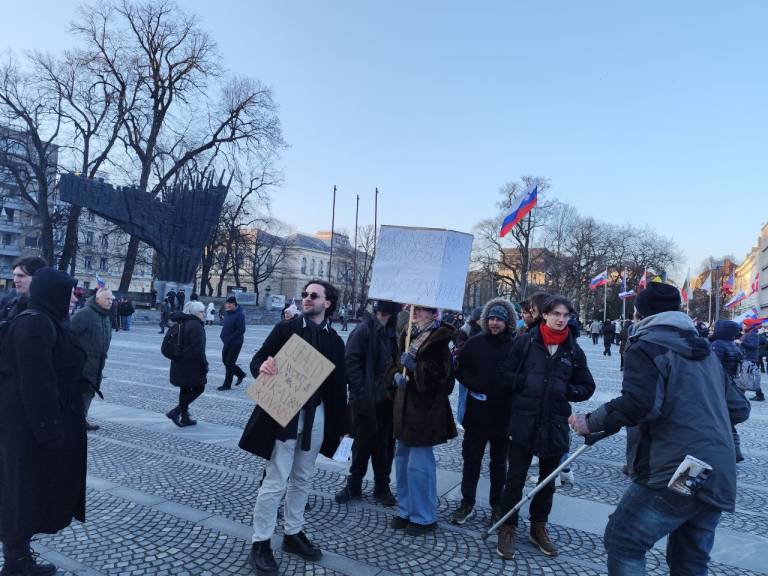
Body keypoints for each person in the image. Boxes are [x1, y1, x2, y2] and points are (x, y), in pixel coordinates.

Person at [570, 282, 751, 576]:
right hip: (718, 468)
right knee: (690, 559)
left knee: (624, 540)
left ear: (640, 314)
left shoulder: (646, 346)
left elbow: (640, 405)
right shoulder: (705, 351)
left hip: (681, 468)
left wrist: (590, 421)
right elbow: (740, 408)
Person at [240, 279, 348, 574]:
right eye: (304, 294)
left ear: (327, 303)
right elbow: (259, 359)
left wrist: (344, 427)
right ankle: (260, 541)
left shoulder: (335, 341)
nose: (306, 298)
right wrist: (262, 367)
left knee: (303, 477)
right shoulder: (286, 329)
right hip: (284, 412)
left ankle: (293, 533)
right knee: (275, 478)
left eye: (313, 295)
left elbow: (339, 388)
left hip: (317, 415)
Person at [0, 268, 87, 576]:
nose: (74, 298)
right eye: (70, 293)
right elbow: (36, 383)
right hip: (28, 428)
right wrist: (49, 431)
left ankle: (19, 557)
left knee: (28, 491)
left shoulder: (48, 320)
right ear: (53, 293)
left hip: (34, 425)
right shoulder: (35, 324)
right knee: (22, 491)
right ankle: (16, 563)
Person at [496, 295, 595, 560]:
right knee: (515, 478)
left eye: (566, 315)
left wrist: (567, 391)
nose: (561, 320)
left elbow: (588, 386)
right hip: (524, 420)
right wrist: (524, 383)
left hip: (554, 423)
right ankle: (507, 527)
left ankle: (538, 527)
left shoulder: (573, 350)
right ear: (545, 315)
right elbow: (504, 374)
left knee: (547, 481)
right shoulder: (525, 342)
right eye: (556, 314)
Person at [450, 297, 518, 525]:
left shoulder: (515, 346)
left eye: (499, 319)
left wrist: (509, 386)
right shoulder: (475, 343)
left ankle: (497, 505)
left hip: (503, 415)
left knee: (499, 464)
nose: (494, 323)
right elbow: (459, 368)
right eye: (491, 319)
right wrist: (475, 383)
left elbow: (522, 376)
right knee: (471, 460)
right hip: (477, 415)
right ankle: (467, 503)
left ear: (507, 322)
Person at [390, 305, 457, 536]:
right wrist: (395, 375)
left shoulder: (440, 339)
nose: (415, 313)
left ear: (432, 313)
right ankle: (405, 510)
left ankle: (424, 516)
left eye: (421, 309)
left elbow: (445, 378)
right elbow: (395, 363)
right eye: (412, 309)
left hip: (425, 413)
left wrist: (416, 368)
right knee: (402, 463)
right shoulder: (407, 333)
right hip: (404, 410)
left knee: (419, 467)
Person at [335, 300, 401, 506]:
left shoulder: (393, 334)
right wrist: (362, 391)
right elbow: (351, 363)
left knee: (385, 446)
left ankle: (382, 486)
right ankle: (354, 484)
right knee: (361, 444)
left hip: (387, 400)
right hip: (365, 400)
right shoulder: (363, 331)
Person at [70, 288, 114, 432]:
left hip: (97, 364)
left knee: (89, 392)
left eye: (111, 299)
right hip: (83, 364)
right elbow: (69, 333)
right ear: (97, 299)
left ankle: (81, 419)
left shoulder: (105, 316)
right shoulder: (85, 313)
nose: (110, 302)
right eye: (107, 299)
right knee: (80, 392)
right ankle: (75, 421)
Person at [166, 301, 209, 427]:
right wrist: (204, 365)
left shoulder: (180, 322)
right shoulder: (196, 326)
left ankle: (185, 417)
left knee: (184, 389)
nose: (204, 314)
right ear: (195, 313)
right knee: (199, 388)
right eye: (201, 312)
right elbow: (198, 350)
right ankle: (176, 411)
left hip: (178, 362)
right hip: (191, 365)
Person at [710, 320, 746, 462]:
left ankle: (733, 451)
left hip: (720, 385)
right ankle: (735, 450)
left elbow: (713, 366)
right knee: (727, 419)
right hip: (731, 384)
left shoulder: (718, 345)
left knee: (722, 419)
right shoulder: (733, 344)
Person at [454, 307, 483, 428]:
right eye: (481, 318)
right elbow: (459, 344)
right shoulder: (466, 329)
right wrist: (470, 347)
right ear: (476, 319)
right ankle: (461, 419)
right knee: (464, 395)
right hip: (466, 367)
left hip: (479, 368)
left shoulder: (485, 330)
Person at [0, 256, 47, 322]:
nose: (15, 280)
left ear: (37, 278)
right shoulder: (11, 302)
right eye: (14, 275)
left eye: (21, 276)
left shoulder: (49, 309)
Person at [218, 295, 246, 391]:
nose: (227, 306)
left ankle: (227, 385)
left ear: (234, 304)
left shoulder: (240, 314)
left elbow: (242, 329)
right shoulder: (228, 313)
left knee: (229, 362)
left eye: (229, 304)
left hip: (235, 342)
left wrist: (230, 338)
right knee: (225, 360)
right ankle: (240, 374)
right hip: (227, 341)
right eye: (227, 304)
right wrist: (223, 336)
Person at [740, 319, 765, 401]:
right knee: (748, 376)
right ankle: (759, 395)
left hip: (750, 358)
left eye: (744, 324)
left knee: (746, 377)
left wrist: (741, 343)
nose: (742, 326)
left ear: (749, 326)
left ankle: (740, 396)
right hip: (749, 358)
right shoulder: (749, 333)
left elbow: (753, 346)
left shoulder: (753, 334)